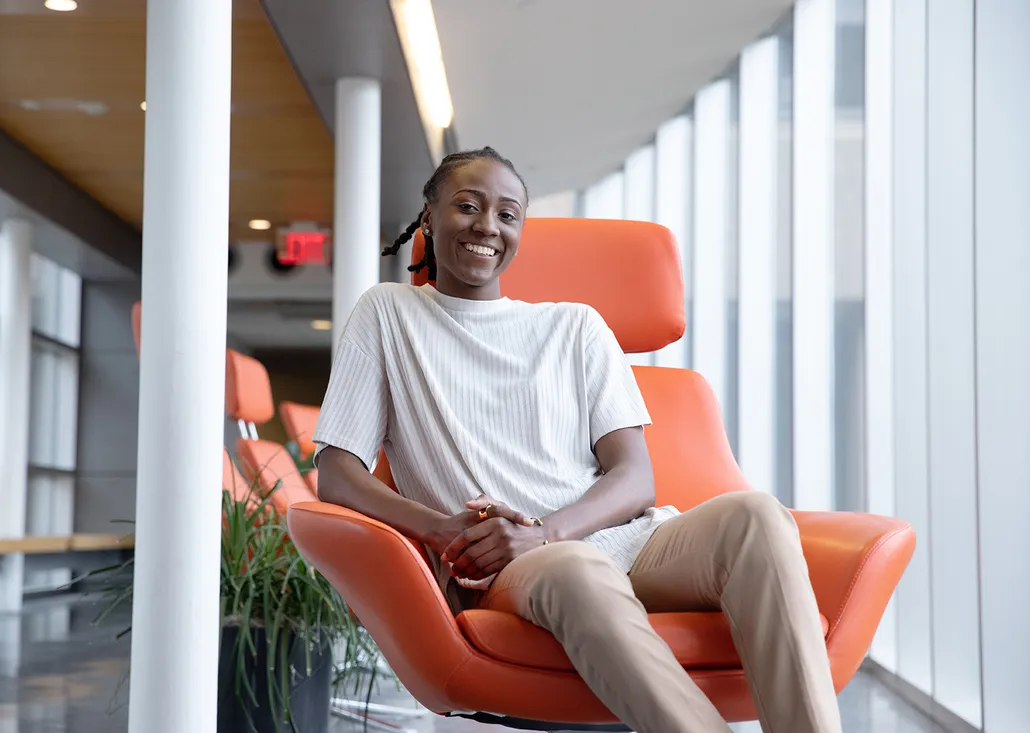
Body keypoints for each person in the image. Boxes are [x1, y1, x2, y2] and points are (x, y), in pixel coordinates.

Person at [311, 147, 842, 733]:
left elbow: (635, 478)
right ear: (429, 218)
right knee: (573, 568)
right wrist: (441, 529)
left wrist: (542, 533)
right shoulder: (387, 313)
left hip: (622, 542)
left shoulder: (577, 326)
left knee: (757, 516)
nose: (488, 224)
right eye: (468, 206)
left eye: (508, 214)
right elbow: (337, 473)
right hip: (513, 572)